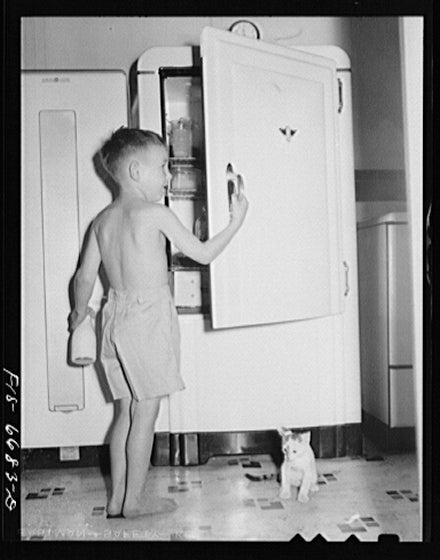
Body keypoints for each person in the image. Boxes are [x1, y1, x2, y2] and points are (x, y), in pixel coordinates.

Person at [68, 128, 248, 519]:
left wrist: (79, 314)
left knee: (125, 412)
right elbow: (200, 253)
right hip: (148, 319)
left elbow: (83, 278)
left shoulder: (102, 221)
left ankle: (116, 499)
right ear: (135, 170)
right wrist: (236, 222)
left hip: (113, 317)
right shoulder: (155, 213)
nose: (168, 176)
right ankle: (133, 503)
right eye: (163, 166)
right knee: (146, 414)